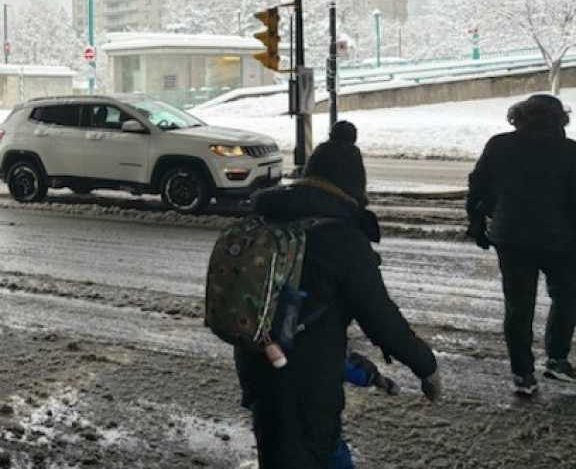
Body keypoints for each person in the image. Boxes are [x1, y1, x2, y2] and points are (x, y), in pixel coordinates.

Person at [236, 121, 440, 468]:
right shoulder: (341, 238)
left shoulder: (268, 219)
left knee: (275, 449)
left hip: (256, 363)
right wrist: (426, 365)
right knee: (316, 453)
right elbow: (380, 317)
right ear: (353, 185)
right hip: (309, 381)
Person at [467, 93, 576, 396]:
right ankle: (556, 358)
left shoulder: (500, 145)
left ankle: (523, 374)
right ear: (560, 119)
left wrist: (478, 219)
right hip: (561, 241)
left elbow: (478, 185)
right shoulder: (570, 152)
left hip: (511, 238)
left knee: (518, 306)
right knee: (567, 298)